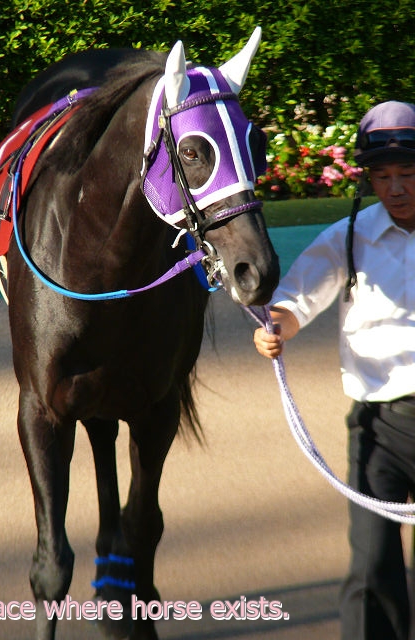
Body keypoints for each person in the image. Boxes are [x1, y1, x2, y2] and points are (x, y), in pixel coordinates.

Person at [254, 100, 415, 640]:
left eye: (408, 173)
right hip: (378, 427)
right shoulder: (350, 236)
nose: (396, 187)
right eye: (383, 176)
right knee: (371, 568)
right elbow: (293, 304)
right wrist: (274, 329)